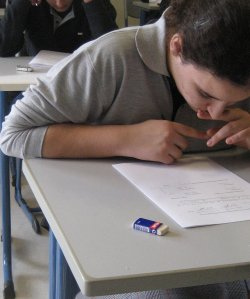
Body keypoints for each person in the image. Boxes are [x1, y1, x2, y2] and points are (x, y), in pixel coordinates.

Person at [0, 0, 250, 297]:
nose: (216, 111)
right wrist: (127, 139)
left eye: (233, 102)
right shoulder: (109, 58)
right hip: (123, 240)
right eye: (205, 94)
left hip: (219, 239)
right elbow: (13, 135)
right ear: (176, 46)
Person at [0, 0, 117, 56]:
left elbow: (111, 51)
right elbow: (3, 48)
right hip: (35, 81)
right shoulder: (30, 4)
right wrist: (21, 3)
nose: (60, 3)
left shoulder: (97, 3)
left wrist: (92, 4)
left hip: (81, 80)